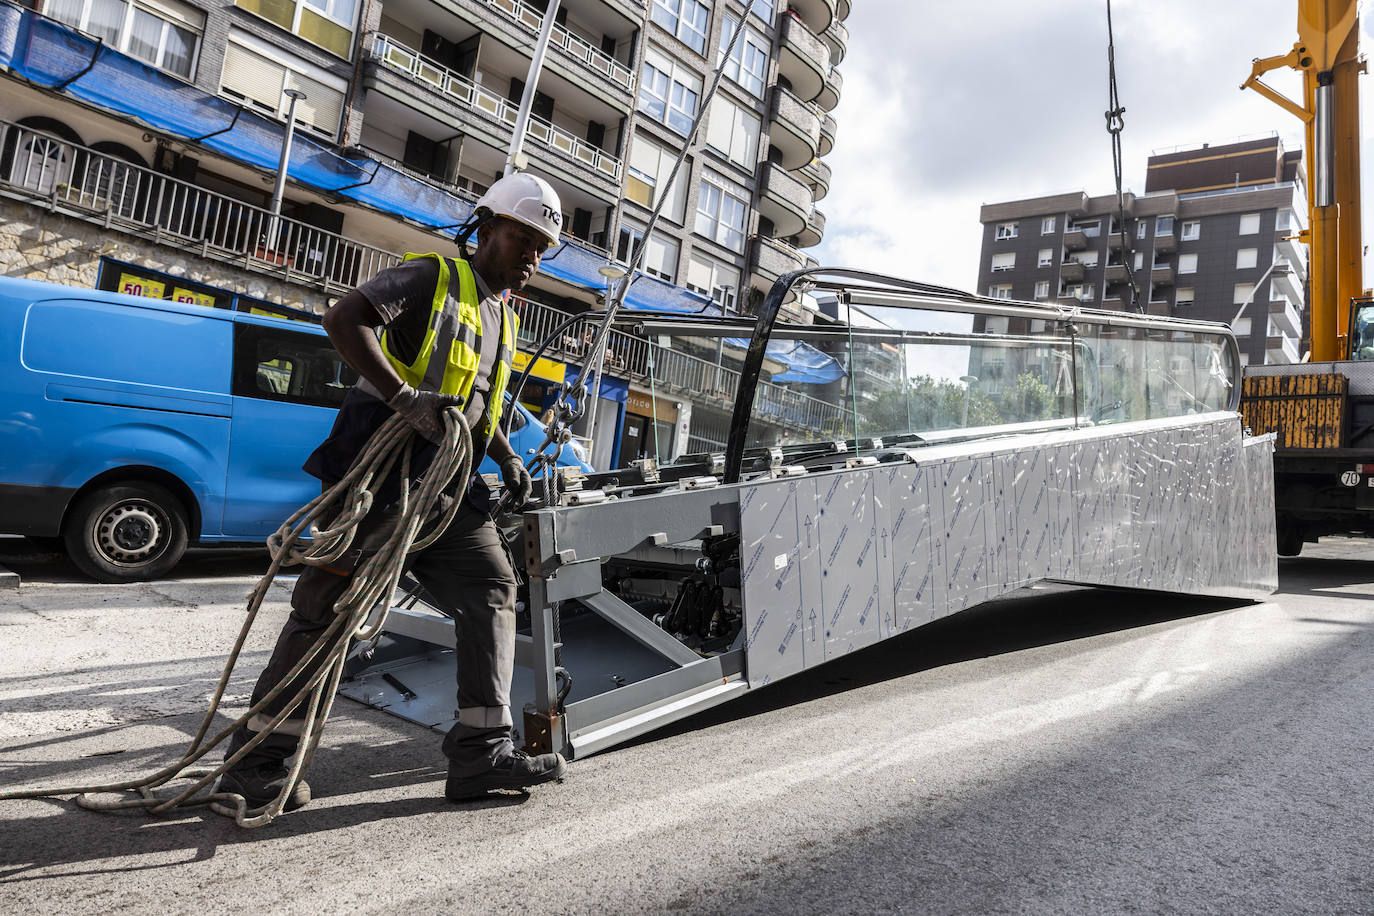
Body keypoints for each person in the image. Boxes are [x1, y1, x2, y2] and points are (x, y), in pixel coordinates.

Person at [219, 172, 567, 811]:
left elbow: (477, 405)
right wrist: (405, 400)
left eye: (542, 248)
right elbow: (343, 318)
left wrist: (508, 457)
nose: (532, 257)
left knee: (491, 588)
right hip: (381, 479)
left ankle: (479, 757)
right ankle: (257, 760)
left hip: (447, 488)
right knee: (329, 609)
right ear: (485, 228)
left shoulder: (501, 316)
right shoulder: (433, 278)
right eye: (524, 238)